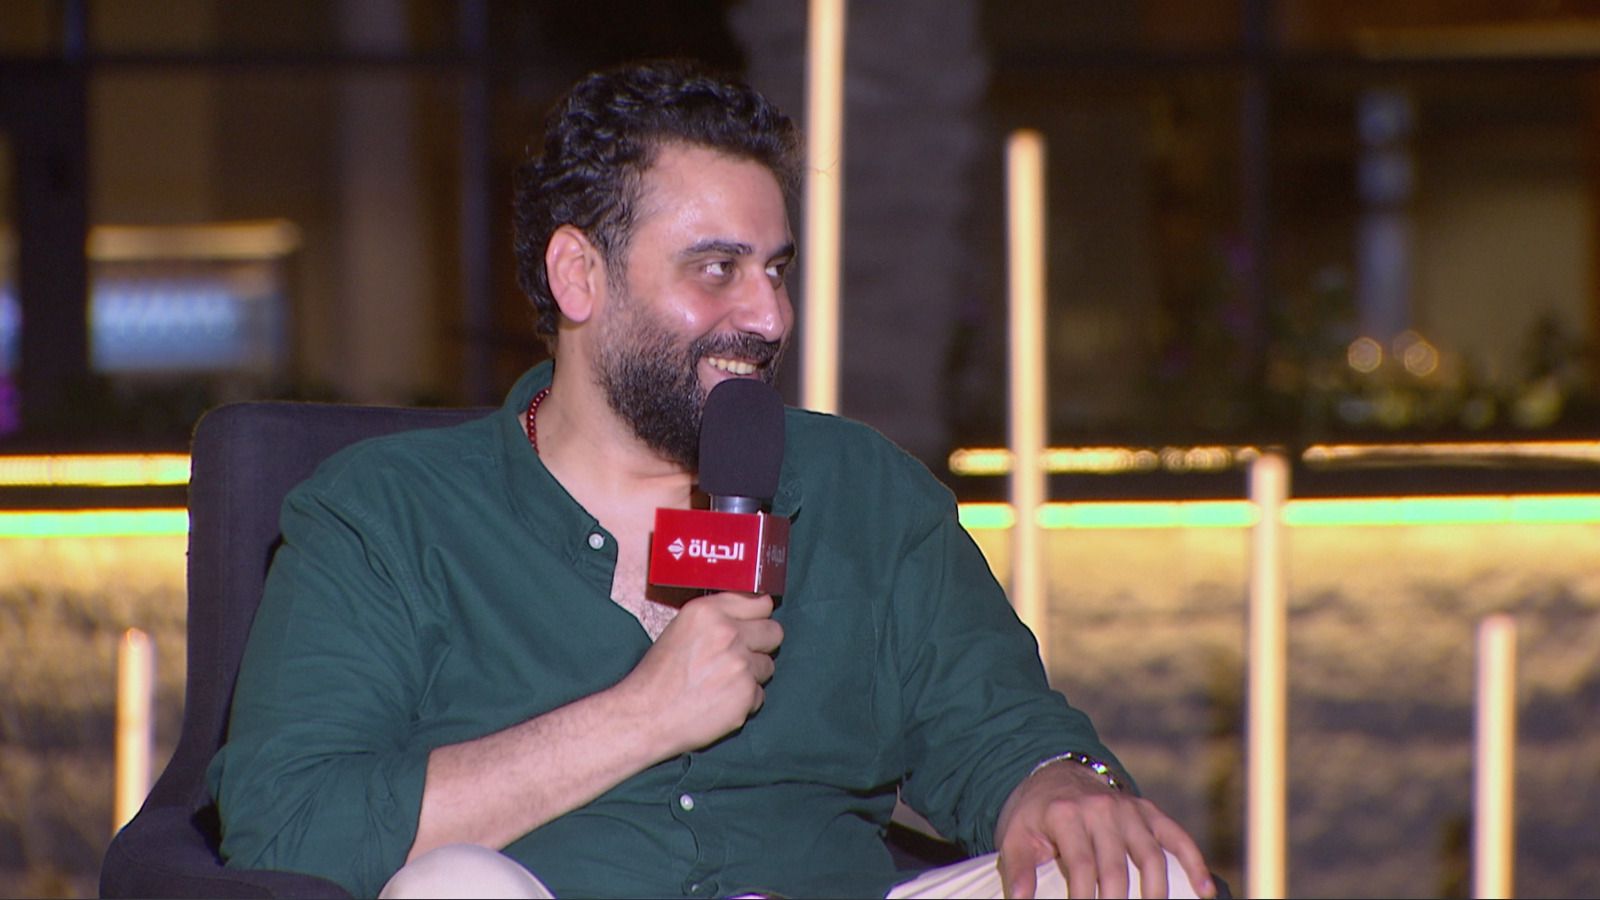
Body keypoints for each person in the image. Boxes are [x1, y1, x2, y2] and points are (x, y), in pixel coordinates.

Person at [207, 59, 1218, 900]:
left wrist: (1059, 783)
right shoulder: (389, 512)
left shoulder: (860, 489)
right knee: (453, 890)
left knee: (1142, 877)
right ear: (578, 276)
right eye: (716, 269)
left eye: (775, 269)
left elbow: (1005, 729)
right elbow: (287, 825)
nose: (769, 316)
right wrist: (640, 715)